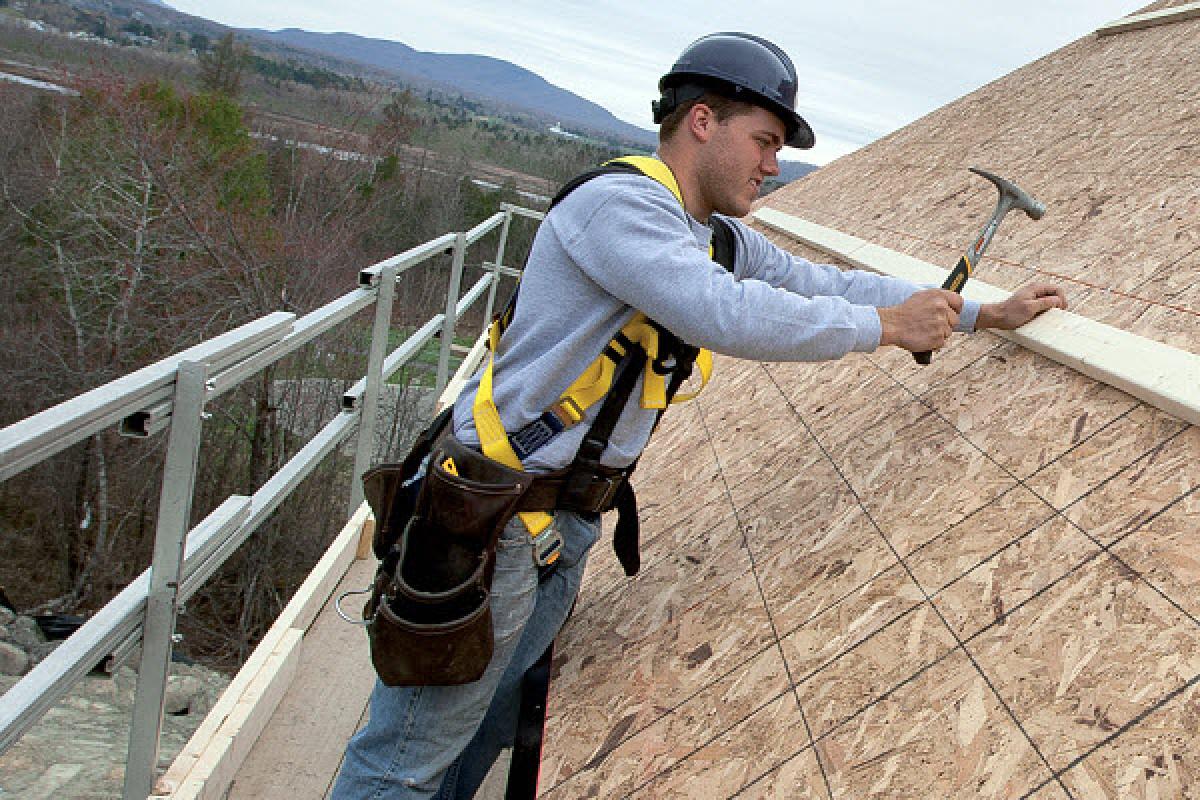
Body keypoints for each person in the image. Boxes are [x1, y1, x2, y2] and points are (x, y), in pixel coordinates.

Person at [331, 31, 1066, 800]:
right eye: (766, 141)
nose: (773, 165)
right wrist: (890, 330)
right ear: (704, 121)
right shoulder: (620, 207)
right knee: (405, 759)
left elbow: (822, 285)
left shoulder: (708, 235)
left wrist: (984, 313)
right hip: (491, 519)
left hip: (561, 527)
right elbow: (722, 313)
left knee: (488, 725)